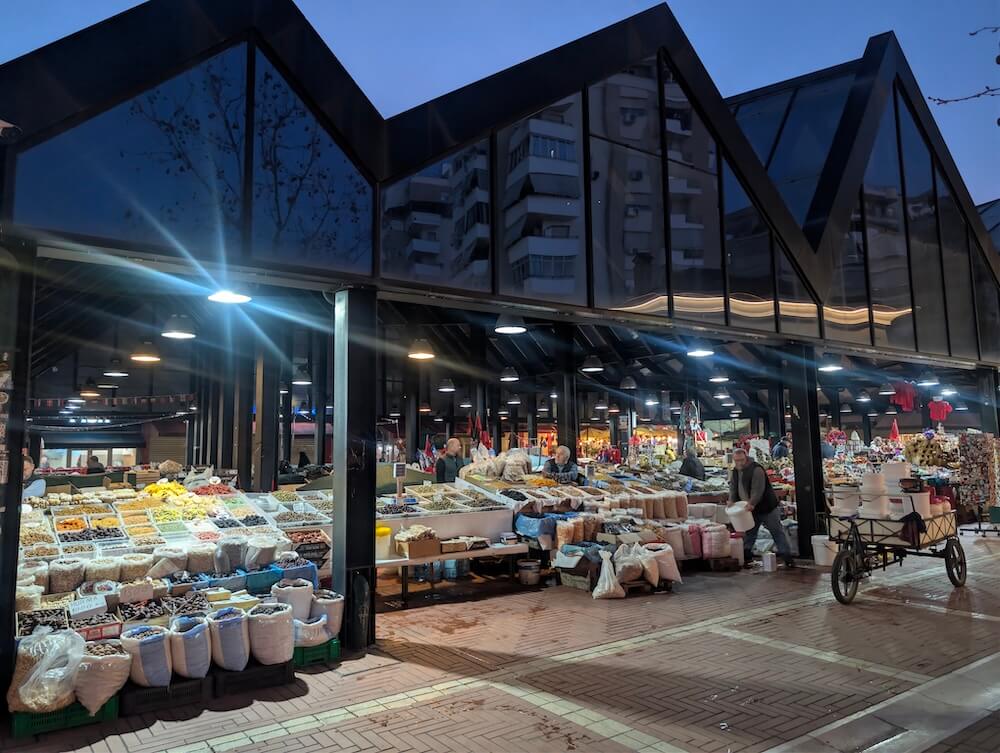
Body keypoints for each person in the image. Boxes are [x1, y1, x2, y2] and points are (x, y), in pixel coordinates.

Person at [729, 448, 794, 568]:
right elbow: (733, 487)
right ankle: (746, 558)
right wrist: (732, 500)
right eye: (736, 460)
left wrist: (752, 503)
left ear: (746, 457)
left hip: (766, 507)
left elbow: (757, 489)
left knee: (777, 532)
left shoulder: (756, 469)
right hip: (750, 509)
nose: (739, 463)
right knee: (750, 533)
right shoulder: (735, 471)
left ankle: (787, 558)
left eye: (741, 460)